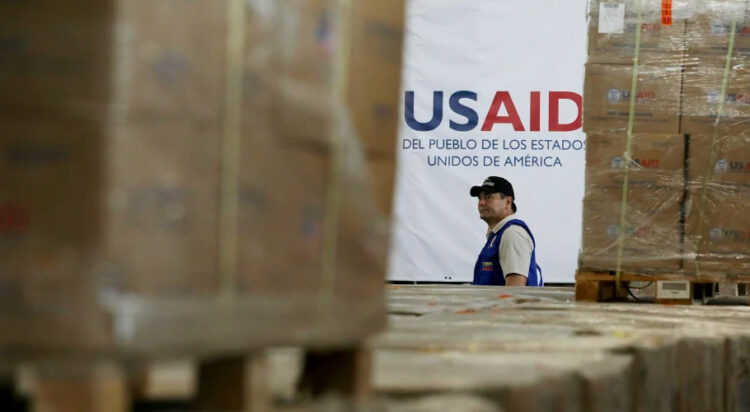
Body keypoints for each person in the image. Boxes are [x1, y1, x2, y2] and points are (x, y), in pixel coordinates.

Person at [470, 176, 542, 286]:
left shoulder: (512, 233)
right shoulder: (499, 234)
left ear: (508, 202)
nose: (481, 203)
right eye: (479, 198)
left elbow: (515, 291)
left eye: (488, 197)